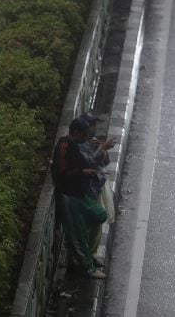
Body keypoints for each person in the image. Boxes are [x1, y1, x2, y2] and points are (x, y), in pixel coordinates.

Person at [51, 118, 107, 279]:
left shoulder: (75, 146)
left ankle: (88, 257)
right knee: (78, 235)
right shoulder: (64, 146)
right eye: (84, 134)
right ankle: (87, 267)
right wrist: (81, 173)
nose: (86, 137)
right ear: (76, 132)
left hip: (81, 193)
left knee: (99, 215)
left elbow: (85, 163)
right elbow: (61, 172)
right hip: (69, 196)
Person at [77, 113, 116, 266]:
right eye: (92, 125)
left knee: (96, 226)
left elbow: (105, 162)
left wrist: (102, 147)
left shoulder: (92, 142)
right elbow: (90, 162)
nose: (94, 128)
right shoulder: (79, 146)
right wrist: (101, 149)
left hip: (96, 189)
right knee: (86, 227)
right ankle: (84, 260)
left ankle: (91, 255)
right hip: (85, 192)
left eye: (94, 124)